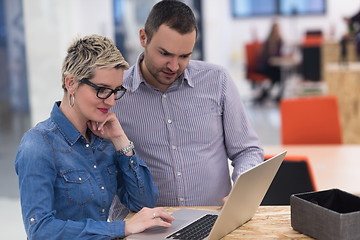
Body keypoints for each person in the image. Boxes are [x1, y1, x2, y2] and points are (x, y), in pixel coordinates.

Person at [110, 0, 264, 219]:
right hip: (146, 226)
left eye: (184, 56)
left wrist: (242, 192)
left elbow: (247, 150)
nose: (174, 66)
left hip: (213, 222)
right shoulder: (114, 93)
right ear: (143, 37)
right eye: (165, 54)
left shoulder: (216, 80)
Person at [15, 34, 174, 240]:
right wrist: (121, 228)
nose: (111, 102)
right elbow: (40, 231)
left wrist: (120, 140)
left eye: (116, 91)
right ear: (71, 83)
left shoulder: (103, 140)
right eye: (102, 90)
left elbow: (143, 202)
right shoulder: (37, 145)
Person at [256, 21, 284, 103]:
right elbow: (270, 57)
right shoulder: (269, 41)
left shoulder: (279, 41)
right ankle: (271, 95)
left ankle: (267, 93)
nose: (278, 31)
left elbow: (280, 54)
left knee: (280, 74)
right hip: (265, 66)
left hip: (273, 66)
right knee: (279, 75)